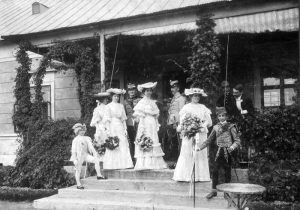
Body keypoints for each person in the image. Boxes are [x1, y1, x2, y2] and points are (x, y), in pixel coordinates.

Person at [199, 107, 241, 199]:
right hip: (218, 152)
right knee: (214, 171)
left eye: (223, 116)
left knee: (227, 172)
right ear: (217, 117)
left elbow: (237, 141)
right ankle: (214, 191)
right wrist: (199, 148)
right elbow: (209, 140)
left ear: (226, 116)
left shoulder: (231, 127)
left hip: (228, 152)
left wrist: (232, 147)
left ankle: (227, 192)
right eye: (219, 116)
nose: (221, 117)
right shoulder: (216, 127)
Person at [173, 88, 212, 182]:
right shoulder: (186, 107)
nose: (196, 97)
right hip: (189, 132)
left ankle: (200, 176)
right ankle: (186, 175)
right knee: (187, 152)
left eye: (198, 96)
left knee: (199, 152)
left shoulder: (203, 107)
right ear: (190, 96)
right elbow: (182, 120)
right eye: (194, 95)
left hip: (200, 132)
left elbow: (209, 121)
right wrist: (188, 127)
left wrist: (202, 125)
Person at [133, 82, 167, 170]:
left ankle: (154, 163)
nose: (149, 92)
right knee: (146, 138)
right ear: (143, 92)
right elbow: (138, 115)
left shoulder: (152, 102)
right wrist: (142, 125)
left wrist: (155, 119)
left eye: (150, 91)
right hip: (145, 123)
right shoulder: (141, 102)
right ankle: (145, 163)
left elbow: (156, 113)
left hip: (152, 123)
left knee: (154, 139)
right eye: (147, 91)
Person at [102, 88, 133, 170]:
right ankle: (113, 165)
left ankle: (124, 164)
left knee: (122, 142)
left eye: (117, 96)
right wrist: (108, 131)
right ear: (112, 97)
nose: (116, 98)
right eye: (115, 96)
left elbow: (123, 119)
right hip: (112, 126)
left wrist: (125, 129)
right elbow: (107, 119)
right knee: (114, 142)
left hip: (120, 126)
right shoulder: (108, 106)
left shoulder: (121, 106)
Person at [70, 123, 106, 190]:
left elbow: (91, 147)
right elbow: (73, 150)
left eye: (83, 130)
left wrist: (95, 153)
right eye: (81, 130)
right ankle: (78, 184)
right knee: (78, 169)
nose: (82, 132)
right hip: (78, 156)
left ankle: (99, 175)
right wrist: (75, 159)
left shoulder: (87, 138)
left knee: (96, 160)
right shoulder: (75, 140)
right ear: (77, 131)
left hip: (85, 155)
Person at [167, 80, 186, 160]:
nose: (172, 90)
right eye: (171, 88)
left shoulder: (181, 98)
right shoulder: (174, 98)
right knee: (173, 142)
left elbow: (181, 112)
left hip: (177, 123)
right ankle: (175, 160)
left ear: (178, 88)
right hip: (172, 123)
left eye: (174, 88)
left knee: (178, 142)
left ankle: (178, 160)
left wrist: (177, 123)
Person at [123, 83, 142, 160]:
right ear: (128, 91)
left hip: (139, 122)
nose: (132, 92)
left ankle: (140, 158)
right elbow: (124, 113)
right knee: (131, 141)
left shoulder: (140, 100)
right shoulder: (124, 102)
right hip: (130, 123)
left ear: (135, 91)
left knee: (140, 139)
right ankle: (133, 158)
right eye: (130, 90)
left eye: (133, 90)